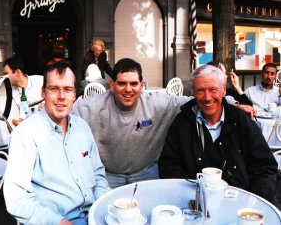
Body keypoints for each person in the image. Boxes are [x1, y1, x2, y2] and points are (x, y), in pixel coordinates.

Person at [72, 58, 251, 189]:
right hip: (108, 175)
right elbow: (65, 119)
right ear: (112, 85)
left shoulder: (157, 103)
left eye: (134, 83)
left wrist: (232, 103)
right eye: (122, 84)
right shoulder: (89, 106)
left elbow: (196, 99)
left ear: (142, 85)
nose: (128, 89)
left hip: (147, 172)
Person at [3, 62, 110, 224]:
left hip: (94, 215)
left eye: (67, 89)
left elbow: (98, 174)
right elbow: (16, 198)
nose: (61, 96)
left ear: (75, 94)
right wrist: (58, 222)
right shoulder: (26, 134)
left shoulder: (82, 127)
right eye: (54, 89)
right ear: (43, 92)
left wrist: (105, 206)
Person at [158, 64, 277, 204]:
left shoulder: (240, 121)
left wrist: (253, 201)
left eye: (213, 89)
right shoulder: (183, 122)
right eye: (200, 91)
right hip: (194, 201)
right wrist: (189, 194)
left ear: (223, 90)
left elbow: (264, 166)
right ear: (193, 93)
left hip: (239, 201)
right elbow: (169, 164)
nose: (207, 97)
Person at [3, 57, 44, 125]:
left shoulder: (41, 81)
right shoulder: (9, 92)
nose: (4, 77)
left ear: (17, 72)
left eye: (6, 74)